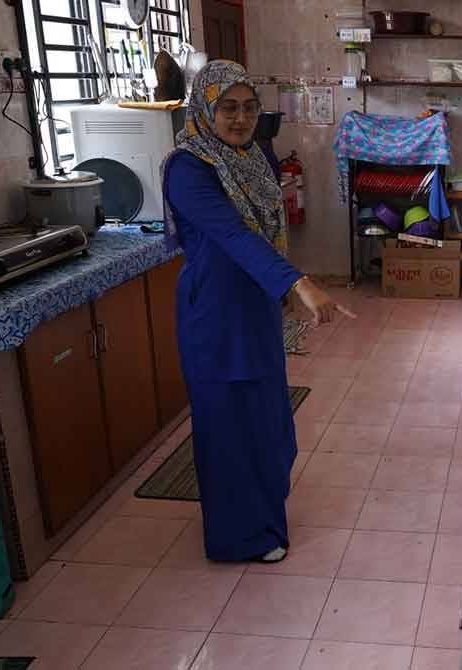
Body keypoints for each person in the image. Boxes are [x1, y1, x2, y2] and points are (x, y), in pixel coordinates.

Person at [161, 60, 353, 563]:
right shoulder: (187, 168)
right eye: (228, 107)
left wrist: (283, 287)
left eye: (249, 108)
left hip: (257, 308)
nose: (240, 118)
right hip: (217, 316)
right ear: (205, 108)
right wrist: (299, 282)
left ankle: (262, 513)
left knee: (268, 419)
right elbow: (232, 234)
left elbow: (269, 229)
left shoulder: (251, 157)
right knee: (229, 427)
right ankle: (237, 538)